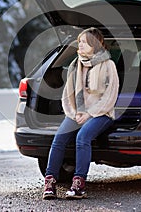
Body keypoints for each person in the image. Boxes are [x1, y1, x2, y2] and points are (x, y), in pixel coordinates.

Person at [43, 27, 119, 200]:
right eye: (80, 42)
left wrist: (89, 114)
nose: (81, 45)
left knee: (82, 137)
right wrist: (74, 113)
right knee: (59, 138)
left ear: (95, 44)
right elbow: (67, 94)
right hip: (78, 113)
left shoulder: (108, 65)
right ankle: (50, 182)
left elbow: (110, 96)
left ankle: (78, 184)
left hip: (102, 113)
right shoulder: (76, 64)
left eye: (84, 42)